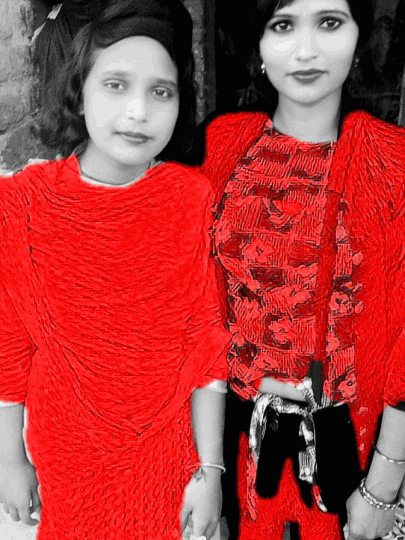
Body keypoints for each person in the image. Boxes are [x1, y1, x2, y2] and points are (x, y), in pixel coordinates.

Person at [0, 1, 230, 539]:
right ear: (79, 93)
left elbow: (205, 340)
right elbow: (11, 340)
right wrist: (10, 458)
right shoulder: (25, 204)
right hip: (67, 454)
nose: (138, 111)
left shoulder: (191, 198)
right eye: (115, 85)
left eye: (161, 91)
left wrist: (211, 470)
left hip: (169, 450)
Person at [200, 0, 405, 539]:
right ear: (259, 46)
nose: (306, 49)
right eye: (283, 25)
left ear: (358, 39)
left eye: (330, 23)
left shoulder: (392, 163)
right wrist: (203, 467)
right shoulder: (222, 146)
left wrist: (383, 485)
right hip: (235, 439)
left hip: (348, 450)